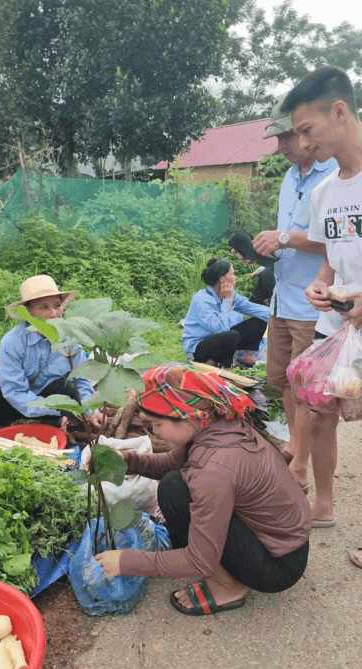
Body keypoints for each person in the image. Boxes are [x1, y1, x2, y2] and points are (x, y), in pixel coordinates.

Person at [95, 363, 311, 616]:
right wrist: (125, 459)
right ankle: (210, 566)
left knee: (181, 497)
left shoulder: (213, 470)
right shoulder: (216, 424)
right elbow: (170, 465)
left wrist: (125, 562)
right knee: (172, 485)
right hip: (278, 541)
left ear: (189, 416)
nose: (153, 432)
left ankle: (229, 588)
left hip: (277, 565)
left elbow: (200, 560)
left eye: (156, 424)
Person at [234, 93, 337, 495]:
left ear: (303, 132)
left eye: (284, 139)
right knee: (284, 383)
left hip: (311, 306)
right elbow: (288, 240)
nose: (279, 148)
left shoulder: (332, 177)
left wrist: (284, 237)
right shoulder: (290, 178)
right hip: (281, 297)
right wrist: (266, 249)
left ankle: (301, 469)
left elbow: (334, 242)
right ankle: (296, 448)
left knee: (310, 393)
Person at [281, 66, 362, 538]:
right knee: (320, 412)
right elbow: (331, 260)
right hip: (339, 327)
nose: (303, 144)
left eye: (307, 131)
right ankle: (325, 503)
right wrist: (319, 285)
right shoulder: (325, 192)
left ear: (339, 111)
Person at [0, 274, 101, 431]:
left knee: (67, 386)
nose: (54, 313)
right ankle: (5, 427)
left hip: (52, 398)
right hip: (16, 402)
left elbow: (81, 380)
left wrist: (90, 410)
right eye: (44, 307)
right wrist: (55, 409)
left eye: (57, 305)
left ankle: (56, 423)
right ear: (28, 312)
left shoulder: (70, 339)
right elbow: (14, 392)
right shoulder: (12, 342)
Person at [182, 258, 269, 368]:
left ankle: (244, 358)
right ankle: (216, 365)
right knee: (231, 335)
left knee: (259, 322)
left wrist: (277, 315)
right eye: (232, 274)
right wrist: (227, 301)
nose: (235, 277)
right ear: (222, 278)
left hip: (222, 339)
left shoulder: (231, 294)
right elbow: (219, 328)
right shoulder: (201, 299)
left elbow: (251, 307)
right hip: (199, 346)